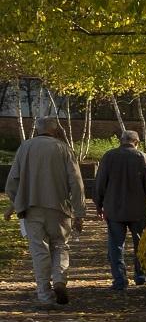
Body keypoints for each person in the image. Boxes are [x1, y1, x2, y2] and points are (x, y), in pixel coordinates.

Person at [4, 118, 88, 308]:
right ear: (55, 130)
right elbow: (76, 182)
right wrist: (79, 212)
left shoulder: (25, 148)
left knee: (39, 250)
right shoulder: (64, 149)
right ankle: (59, 278)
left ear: (37, 130)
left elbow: (12, 182)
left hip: (32, 209)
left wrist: (17, 203)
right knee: (60, 245)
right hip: (59, 208)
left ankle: (44, 295)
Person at [93, 128, 146, 291]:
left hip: (114, 208)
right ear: (136, 142)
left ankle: (120, 280)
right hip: (137, 209)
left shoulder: (109, 157)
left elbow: (100, 182)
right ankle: (141, 275)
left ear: (121, 141)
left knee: (115, 244)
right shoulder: (144, 158)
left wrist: (98, 204)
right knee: (140, 243)